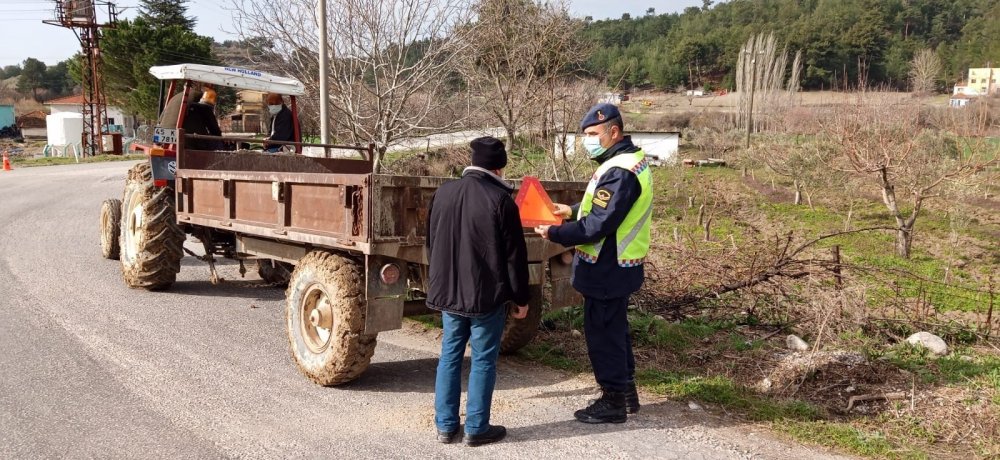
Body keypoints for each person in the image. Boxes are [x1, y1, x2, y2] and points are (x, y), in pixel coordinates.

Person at [534, 103, 652, 424]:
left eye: (592, 134)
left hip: (606, 268)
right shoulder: (628, 161)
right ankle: (626, 394)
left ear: (614, 132)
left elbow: (597, 225)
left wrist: (554, 231)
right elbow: (602, 206)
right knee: (615, 331)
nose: (587, 140)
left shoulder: (618, 171)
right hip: (619, 267)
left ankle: (612, 400)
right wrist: (570, 210)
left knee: (603, 334)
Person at [426, 136, 530, 447]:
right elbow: (515, 258)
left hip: (449, 293)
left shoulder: (442, 193)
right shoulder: (501, 201)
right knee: (483, 359)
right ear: (498, 168)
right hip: (486, 297)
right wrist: (521, 298)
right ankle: (476, 428)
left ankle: (445, 426)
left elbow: (431, 243)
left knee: (449, 355)